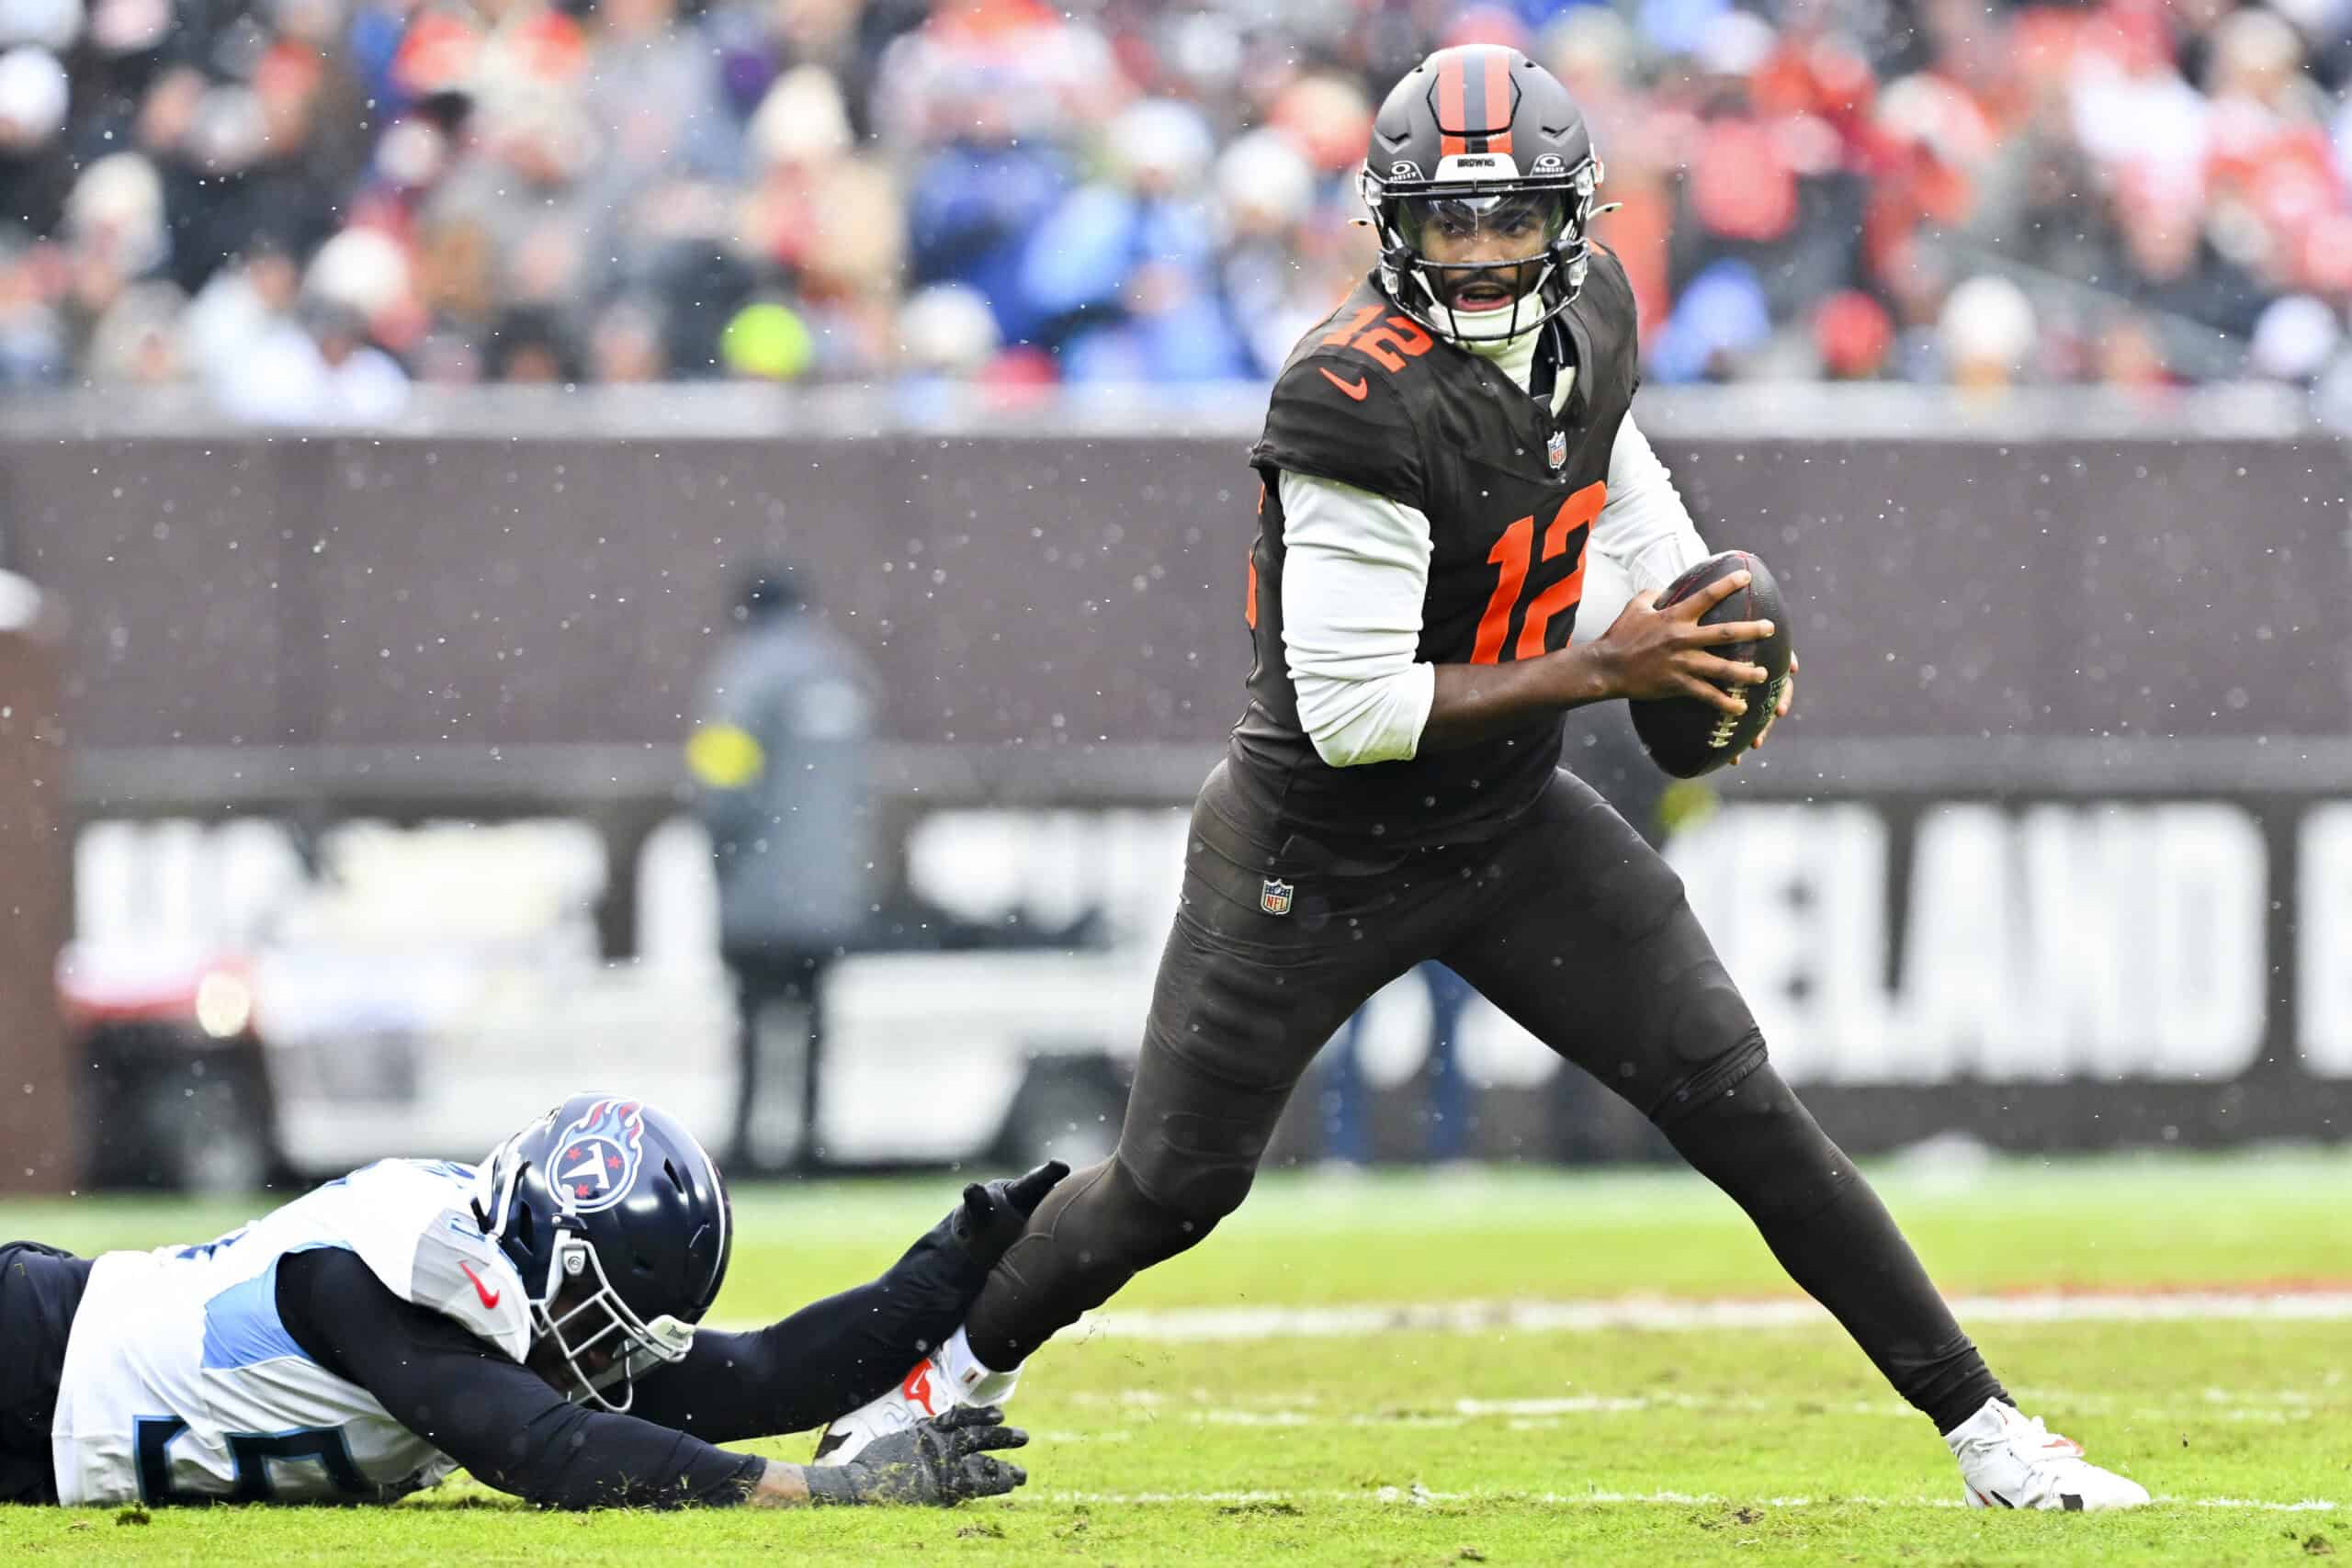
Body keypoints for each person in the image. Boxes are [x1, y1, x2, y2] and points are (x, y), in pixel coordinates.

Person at [816, 45, 2149, 1514]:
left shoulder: (1592, 316)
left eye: (1507, 216)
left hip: (1506, 815)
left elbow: (1609, 458)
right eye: (1445, 223)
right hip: (1313, 846)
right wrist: (1609, 666)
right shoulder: (1351, 397)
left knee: (1736, 1098)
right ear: (1388, 224)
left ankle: (1989, 1431)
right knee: (1171, 1187)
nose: (1476, 250)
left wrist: (1683, 606)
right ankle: (931, 1383)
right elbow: (1351, 709)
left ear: (1569, 215)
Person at [0, 1091, 1057, 1509]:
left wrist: (954, 1256)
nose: (604, 1360)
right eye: (603, 1321)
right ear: (554, 1261)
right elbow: (540, 1452)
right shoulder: (378, 1266)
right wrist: (820, 1491)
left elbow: (763, 1372)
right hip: (26, 1353)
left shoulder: (499, 1280)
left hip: (46, 1440)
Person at [688, 568, 877, 1174]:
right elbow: (855, 788)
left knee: (751, 1020)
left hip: (758, 894)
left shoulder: (744, 674)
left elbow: (721, 783)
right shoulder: (841, 672)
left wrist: (719, 848)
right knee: (815, 1020)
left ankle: (748, 1145)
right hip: (829, 893)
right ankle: (811, 1142)